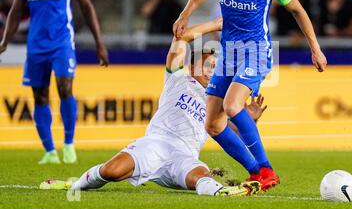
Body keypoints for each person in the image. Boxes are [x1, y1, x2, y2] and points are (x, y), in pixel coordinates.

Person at [173, 0, 327, 191]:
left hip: (256, 52)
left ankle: (267, 169)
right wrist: (184, 15)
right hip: (227, 53)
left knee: (233, 106)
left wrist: (315, 48)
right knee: (213, 124)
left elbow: (298, 10)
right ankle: (257, 172)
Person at [40, 18, 263, 197]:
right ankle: (73, 185)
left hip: (184, 154)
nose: (211, 70)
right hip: (155, 144)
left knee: (200, 175)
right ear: (192, 64)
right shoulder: (178, 78)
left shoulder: (218, 99)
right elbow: (181, 37)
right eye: (207, 63)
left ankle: (221, 191)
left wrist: (248, 120)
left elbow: (225, 132)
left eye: (216, 67)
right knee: (111, 171)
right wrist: (217, 24)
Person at [0, 0, 109, 165]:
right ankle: (49, 151)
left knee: (64, 88)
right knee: (39, 97)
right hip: (35, 46)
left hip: (62, 43)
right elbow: (16, 12)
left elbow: (87, 7)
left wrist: (99, 44)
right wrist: (5, 40)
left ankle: (69, 145)